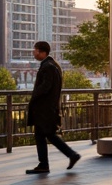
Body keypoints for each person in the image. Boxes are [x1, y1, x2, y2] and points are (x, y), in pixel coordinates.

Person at [25, 40, 81, 174]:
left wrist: (34, 96)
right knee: (43, 135)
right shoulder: (53, 65)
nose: (34, 52)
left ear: (42, 52)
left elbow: (46, 86)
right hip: (47, 109)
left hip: (45, 109)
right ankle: (45, 163)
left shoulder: (48, 66)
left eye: (35, 50)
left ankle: (69, 156)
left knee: (48, 135)